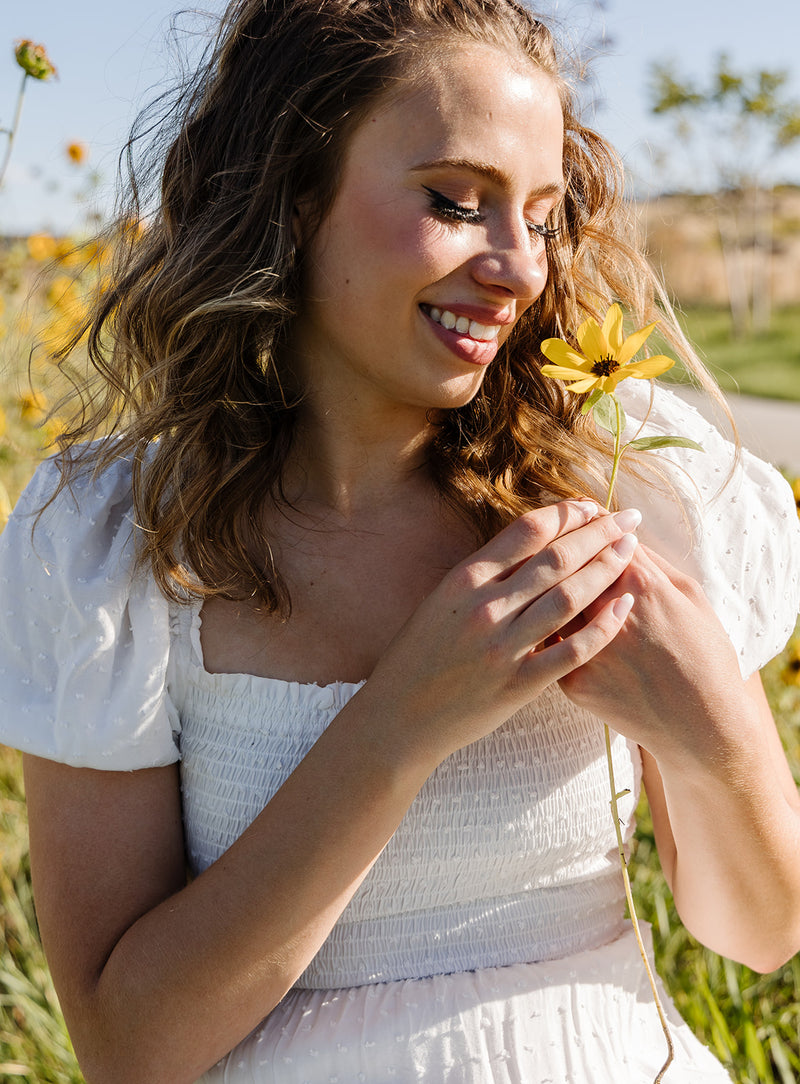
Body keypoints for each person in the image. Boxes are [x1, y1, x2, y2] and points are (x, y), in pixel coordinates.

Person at [2, 1, 800, 1081]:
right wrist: (404, 721)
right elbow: (129, 1049)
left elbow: (759, 931)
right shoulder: (118, 538)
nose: (519, 268)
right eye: (455, 203)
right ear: (290, 194)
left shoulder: (628, 480)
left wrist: (715, 729)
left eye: (542, 213)